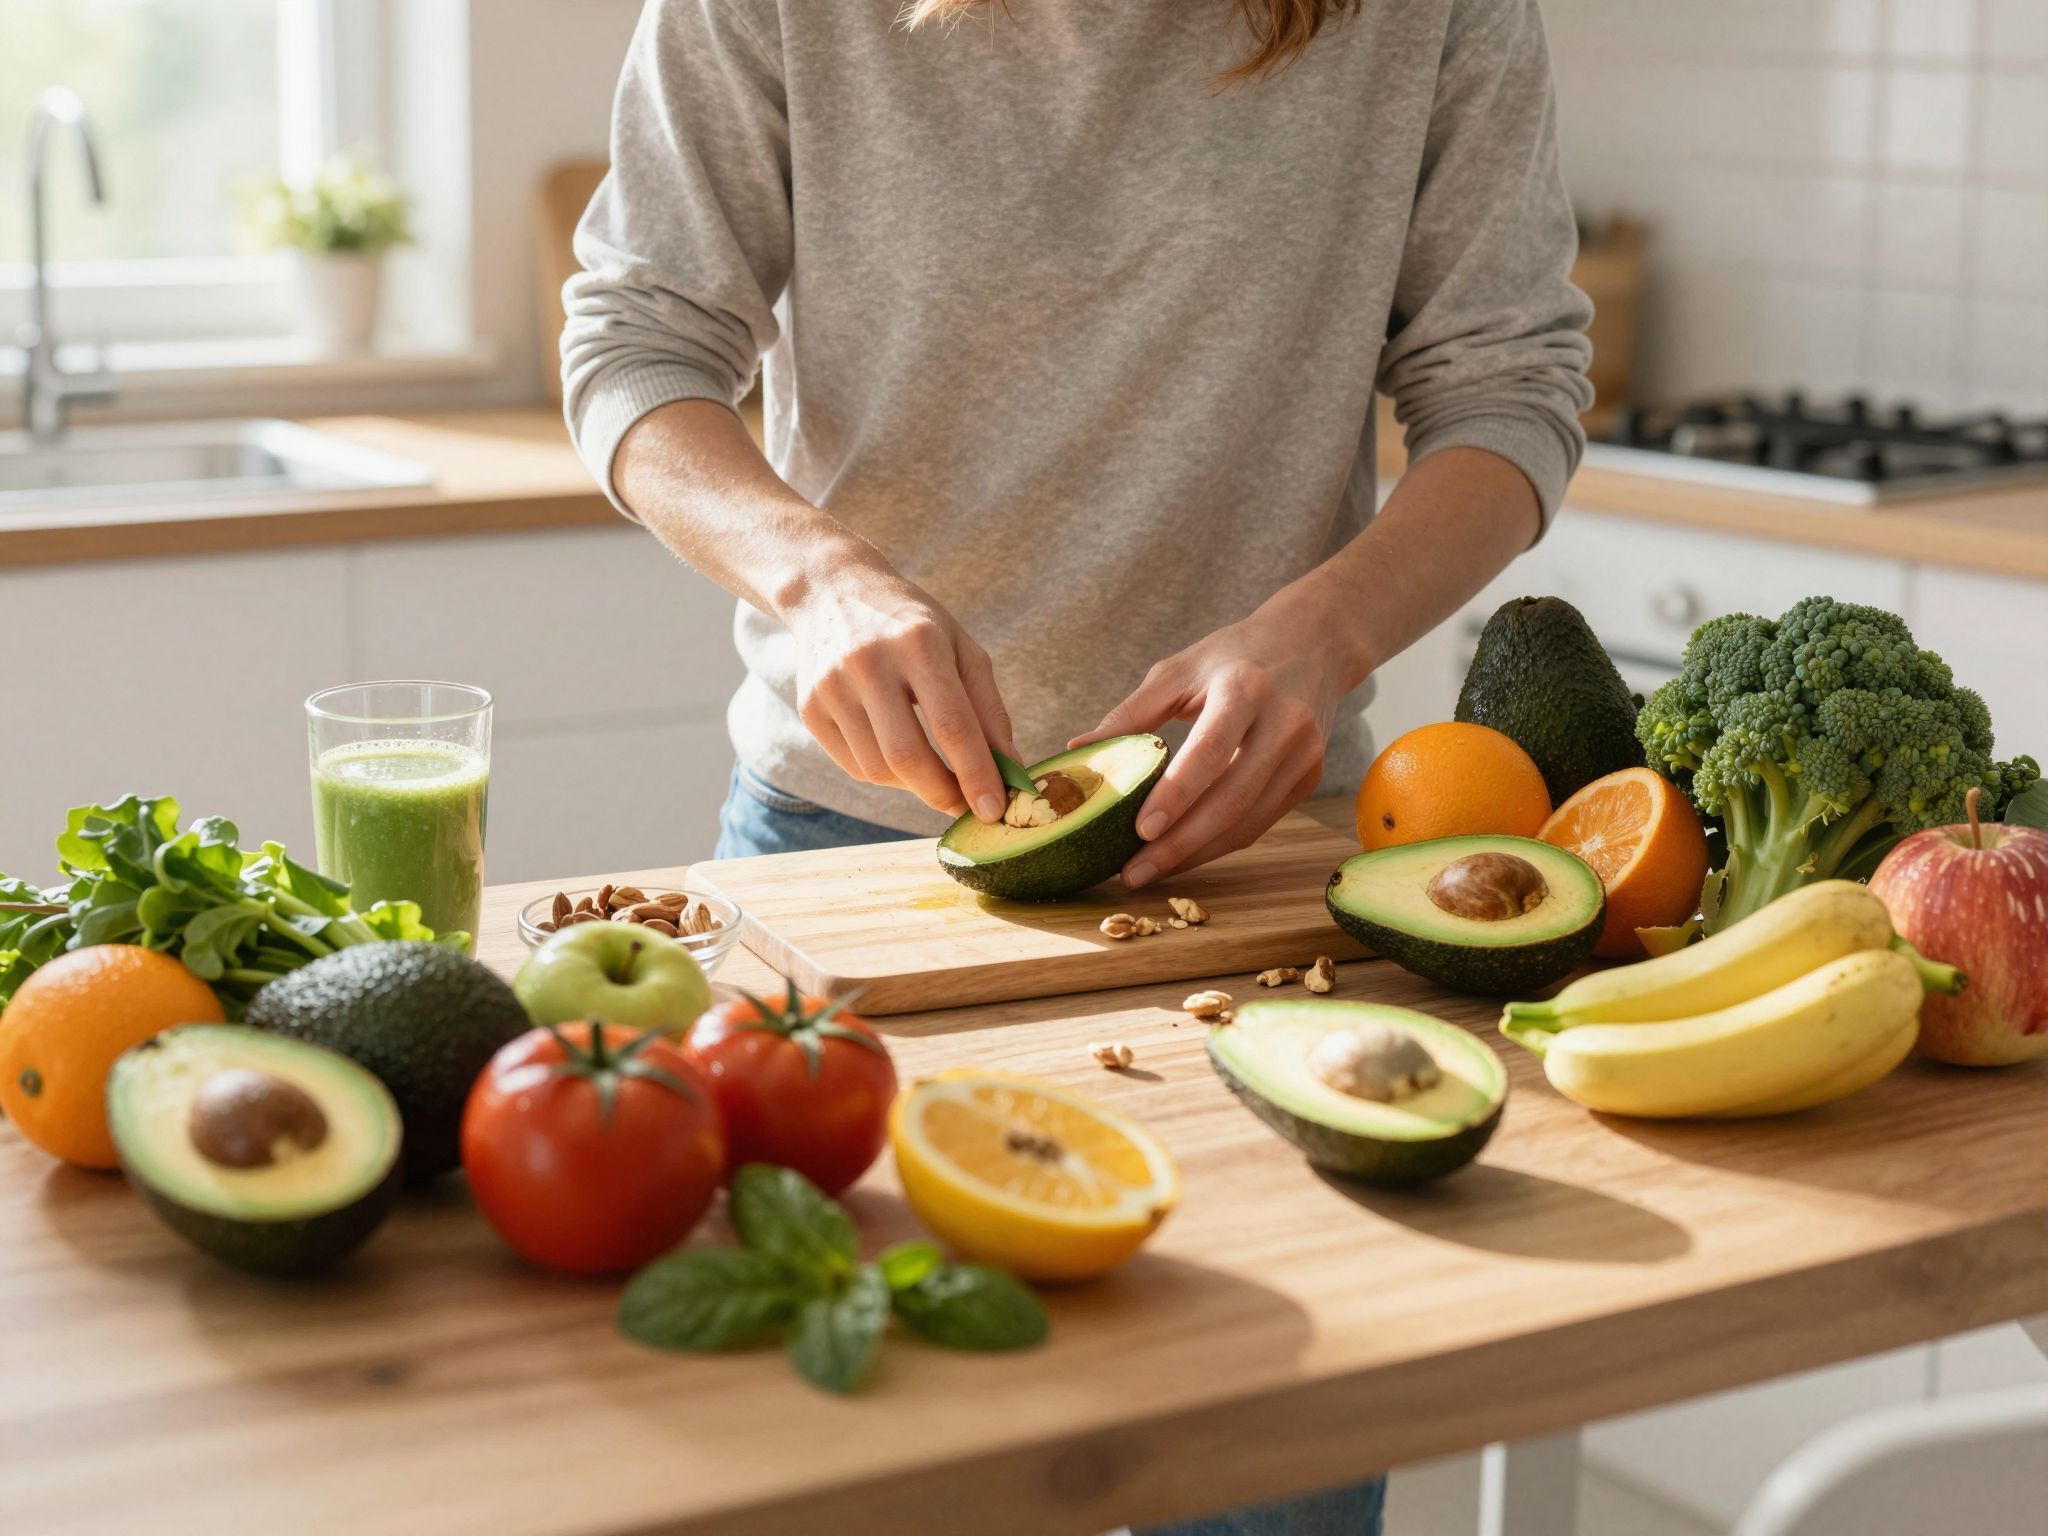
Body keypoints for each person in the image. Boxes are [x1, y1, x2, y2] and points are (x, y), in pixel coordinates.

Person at [565, 1, 1590, 1528]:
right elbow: (634, 340)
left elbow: (1511, 380)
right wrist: (816, 579)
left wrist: (1322, 636)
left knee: (1264, 1487)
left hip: (1260, 869)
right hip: (842, 853)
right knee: (865, 1465)